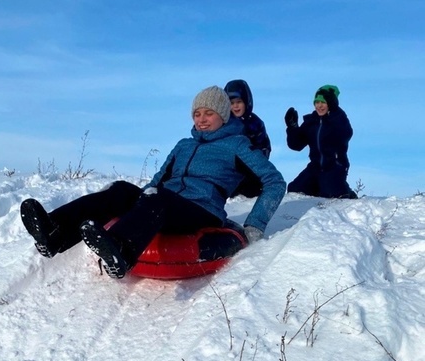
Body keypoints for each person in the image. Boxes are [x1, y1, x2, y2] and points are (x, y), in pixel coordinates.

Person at [20, 86, 286, 279]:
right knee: (122, 189)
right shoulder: (184, 145)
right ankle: (55, 233)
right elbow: (157, 181)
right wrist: (138, 202)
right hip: (166, 202)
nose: (201, 120)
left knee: (158, 198)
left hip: (201, 210)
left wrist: (255, 224)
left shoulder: (237, 145)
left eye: (209, 113)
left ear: (223, 116)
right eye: (197, 114)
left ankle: (121, 251)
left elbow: (275, 181)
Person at [284, 84, 357, 199]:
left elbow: (346, 133)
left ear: (331, 103)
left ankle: (346, 190)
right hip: (315, 167)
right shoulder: (312, 121)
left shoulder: (339, 118)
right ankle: (318, 185)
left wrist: (331, 114)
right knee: (294, 190)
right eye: (317, 102)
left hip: (334, 166)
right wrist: (292, 127)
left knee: (332, 195)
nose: (319, 106)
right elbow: (296, 145)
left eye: (323, 102)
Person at [224, 79, 272, 198]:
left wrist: (257, 166)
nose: (235, 106)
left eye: (239, 102)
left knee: (252, 190)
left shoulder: (255, 123)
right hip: (227, 169)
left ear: (246, 101)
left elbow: (263, 146)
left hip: (249, 170)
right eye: (231, 103)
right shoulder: (223, 123)